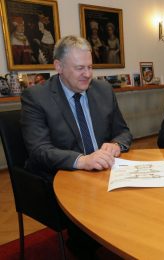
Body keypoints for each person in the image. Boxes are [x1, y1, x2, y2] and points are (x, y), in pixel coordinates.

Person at [21, 35, 132, 257]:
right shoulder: (36, 97)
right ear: (58, 67)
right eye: (80, 68)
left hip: (105, 172)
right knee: (90, 238)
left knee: (139, 206)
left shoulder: (103, 90)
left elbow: (124, 132)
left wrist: (116, 144)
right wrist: (82, 160)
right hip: (61, 177)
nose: (88, 74)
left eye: (90, 67)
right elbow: (39, 150)